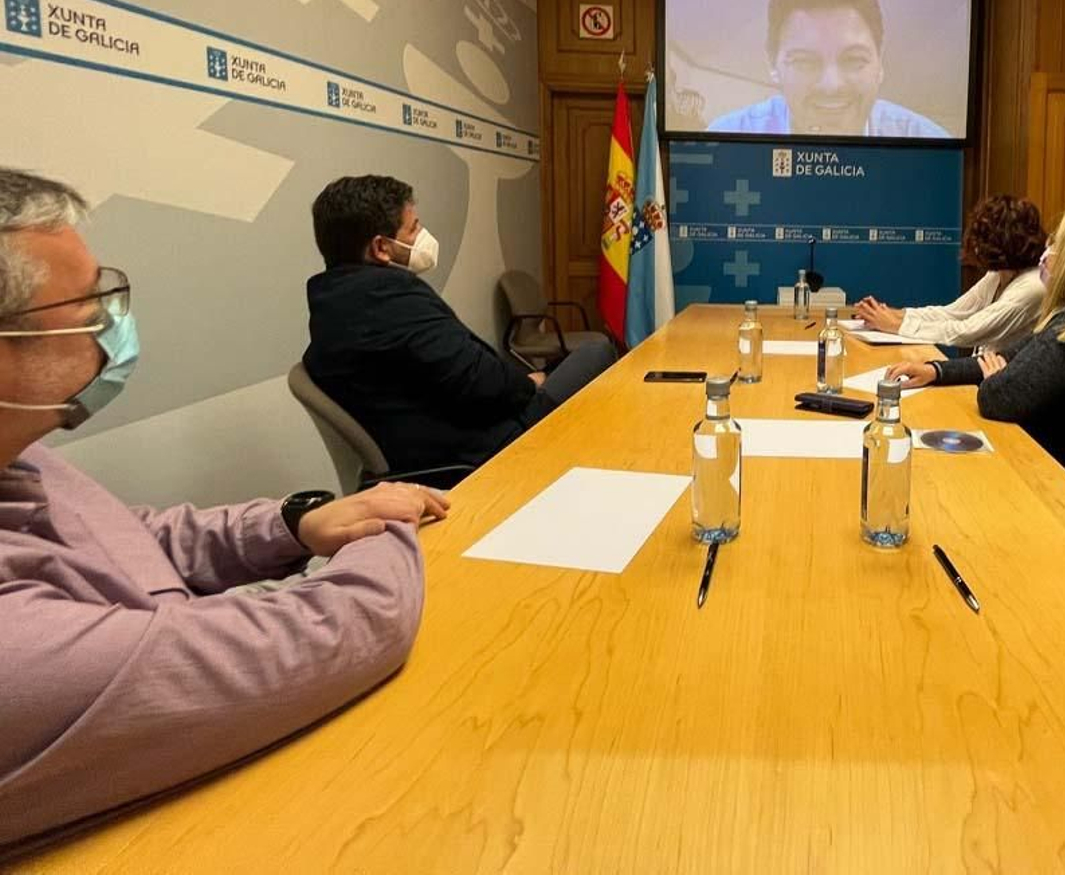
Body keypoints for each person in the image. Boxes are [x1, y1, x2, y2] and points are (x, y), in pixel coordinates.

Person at [0, 168, 447, 848]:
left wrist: (294, 522)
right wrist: (382, 527)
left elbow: (129, 535)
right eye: (89, 305)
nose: (112, 323)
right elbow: (317, 639)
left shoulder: (19, 453)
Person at [302, 175, 615, 476]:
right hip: (486, 446)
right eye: (413, 228)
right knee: (596, 351)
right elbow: (481, 380)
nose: (422, 234)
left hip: (429, 438)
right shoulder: (392, 298)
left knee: (561, 364)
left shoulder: (331, 300)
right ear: (381, 248)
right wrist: (529, 383)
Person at [887, 207, 1065, 493]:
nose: (1047, 251)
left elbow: (999, 399)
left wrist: (997, 382)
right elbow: (1007, 359)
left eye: (1057, 244)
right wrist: (935, 371)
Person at [706, 0, 949, 139]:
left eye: (854, 60)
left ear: (880, 64)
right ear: (773, 65)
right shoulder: (724, 136)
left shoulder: (929, 141)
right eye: (804, 62)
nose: (831, 85)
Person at [855, 195, 1047, 354]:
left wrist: (896, 325)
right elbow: (952, 313)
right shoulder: (998, 274)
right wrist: (889, 314)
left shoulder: (1033, 285)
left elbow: (967, 332)